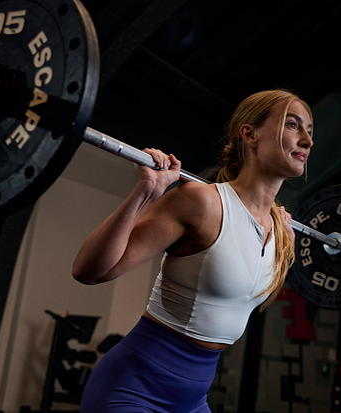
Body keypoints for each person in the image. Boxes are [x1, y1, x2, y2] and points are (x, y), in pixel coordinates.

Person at [73, 89, 313, 412]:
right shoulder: (201, 203)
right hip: (132, 389)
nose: (307, 141)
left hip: (192, 401)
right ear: (250, 134)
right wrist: (145, 192)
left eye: (309, 130)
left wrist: (283, 247)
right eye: (293, 125)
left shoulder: (280, 233)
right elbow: (89, 271)